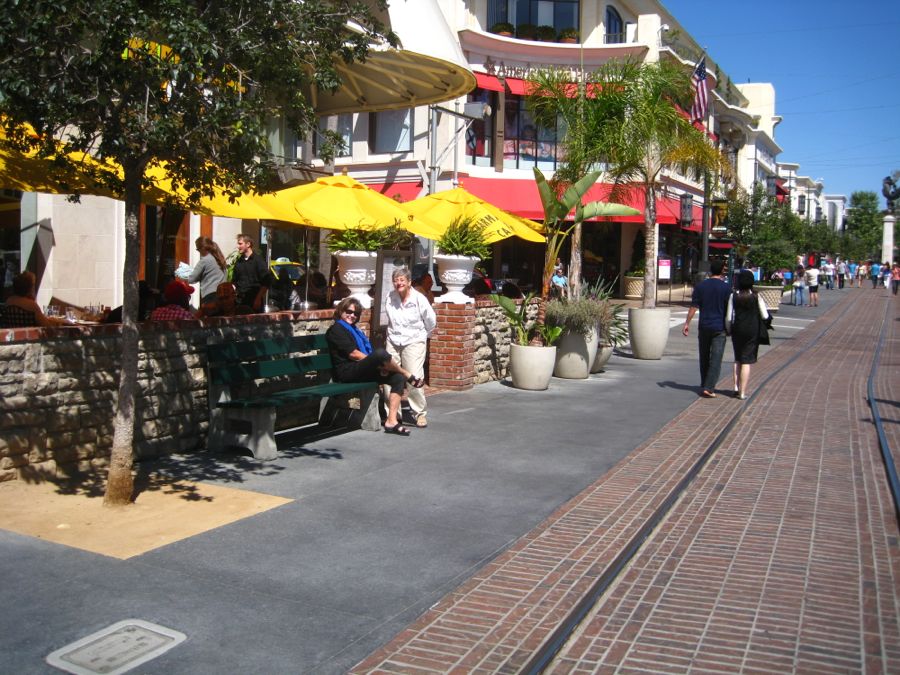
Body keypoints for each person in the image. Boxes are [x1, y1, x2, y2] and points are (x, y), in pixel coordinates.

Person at [325, 297, 423, 436]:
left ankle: (391, 421)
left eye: (356, 314)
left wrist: (376, 364)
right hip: (346, 372)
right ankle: (408, 374)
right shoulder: (336, 330)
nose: (352, 315)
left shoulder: (355, 330)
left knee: (397, 378)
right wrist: (375, 363)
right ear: (341, 310)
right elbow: (353, 354)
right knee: (380, 354)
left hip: (359, 370)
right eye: (349, 311)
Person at [385, 267, 436, 429]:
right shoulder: (390, 297)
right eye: (396, 280)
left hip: (414, 340)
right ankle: (393, 414)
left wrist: (423, 337)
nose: (398, 283)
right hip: (393, 339)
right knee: (389, 377)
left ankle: (419, 413)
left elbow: (431, 321)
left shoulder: (419, 299)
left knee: (414, 376)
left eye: (401, 280)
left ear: (409, 282)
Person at [682, 260, 731, 398]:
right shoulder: (726, 288)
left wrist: (687, 323)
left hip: (704, 326)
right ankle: (709, 387)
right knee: (716, 357)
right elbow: (730, 308)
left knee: (704, 356)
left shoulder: (701, 286)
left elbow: (694, 306)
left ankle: (704, 383)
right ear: (721, 270)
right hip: (719, 326)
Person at [725, 270, 771, 400]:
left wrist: (728, 329)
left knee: (737, 358)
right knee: (746, 360)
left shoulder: (733, 296)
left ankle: (735, 386)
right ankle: (742, 392)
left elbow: (729, 317)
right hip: (752, 330)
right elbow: (765, 315)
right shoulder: (756, 296)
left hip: (737, 329)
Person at [0, 271, 67, 327]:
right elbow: (48, 328)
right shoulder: (31, 305)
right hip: (31, 339)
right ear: (29, 287)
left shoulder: (8, 301)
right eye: (33, 285)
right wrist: (58, 323)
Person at [232, 233, 272, 312]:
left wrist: (258, 299)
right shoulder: (239, 262)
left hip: (254, 301)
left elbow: (267, 281)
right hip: (240, 302)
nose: (238, 246)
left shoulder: (258, 261)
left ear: (248, 244)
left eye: (240, 244)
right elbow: (234, 281)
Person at [188, 237, 227, 305]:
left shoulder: (205, 260)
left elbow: (191, 279)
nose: (198, 252)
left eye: (198, 249)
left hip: (210, 296)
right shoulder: (220, 258)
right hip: (223, 295)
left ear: (202, 248)